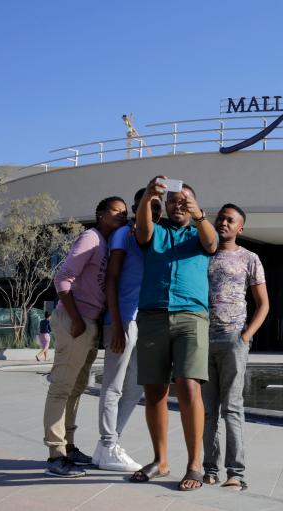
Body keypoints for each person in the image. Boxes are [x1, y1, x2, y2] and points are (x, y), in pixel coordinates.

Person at [130, 177, 218, 491]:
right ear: (165, 205)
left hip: (191, 317)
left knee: (189, 387)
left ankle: (194, 465)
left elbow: (212, 244)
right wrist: (147, 197)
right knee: (154, 391)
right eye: (172, 201)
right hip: (153, 316)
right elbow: (142, 232)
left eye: (184, 201)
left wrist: (199, 214)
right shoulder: (156, 231)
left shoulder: (199, 233)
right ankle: (161, 461)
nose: (178, 205)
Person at [43, 196, 128, 478]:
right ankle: (56, 455)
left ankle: (68, 446)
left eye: (124, 213)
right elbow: (62, 279)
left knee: (76, 388)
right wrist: (77, 320)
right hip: (75, 320)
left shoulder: (107, 243)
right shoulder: (91, 238)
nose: (121, 216)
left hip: (89, 322)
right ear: (101, 214)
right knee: (61, 387)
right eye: (115, 211)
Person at [203, 204, 269, 491]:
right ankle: (209, 469)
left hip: (233, 339)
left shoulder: (250, 258)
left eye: (230, 220)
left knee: (231, 408)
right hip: (203, 340)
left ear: (240, 228)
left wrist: (245, 337)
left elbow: (263, 304)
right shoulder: (203, 253)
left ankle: (236, 473)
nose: (223, 223)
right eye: (221, 218)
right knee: (207, 411)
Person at [94, 189, 160, 472]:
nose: (153, 212)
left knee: (135, 387)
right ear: (136, 208)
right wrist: (118, 324)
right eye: (147, 206)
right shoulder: (123, 234)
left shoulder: (154, 236)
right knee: (113, 386)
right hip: (122, 320)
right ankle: (108, 445)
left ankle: (107, 446)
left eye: (157, 207)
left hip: (141, 321)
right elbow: (112, 278)